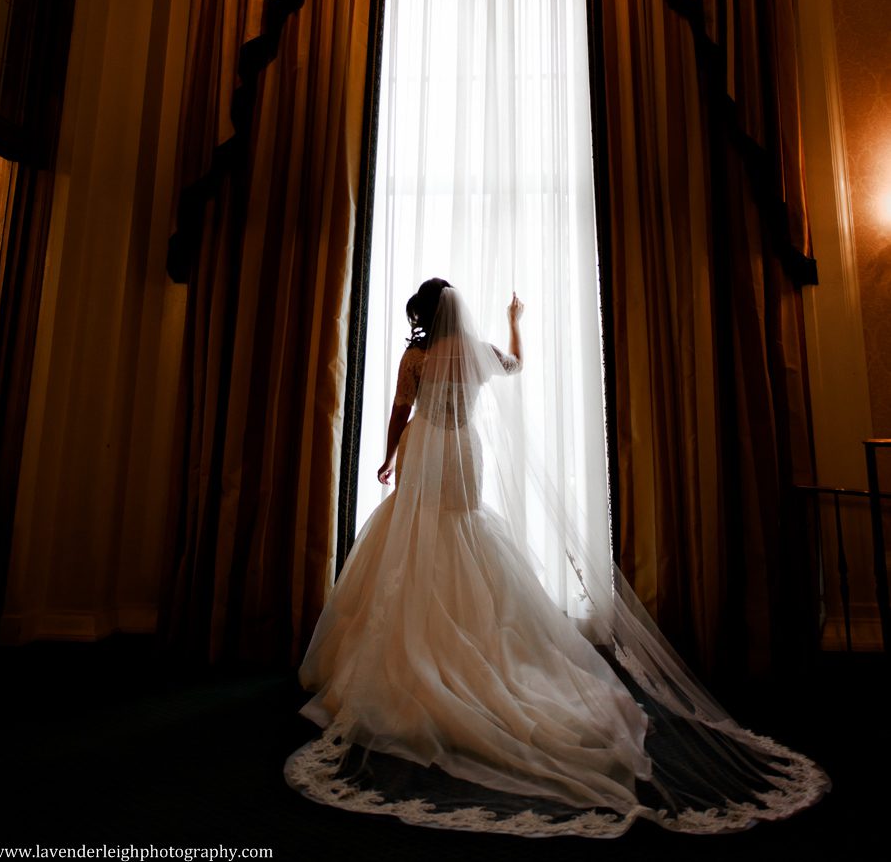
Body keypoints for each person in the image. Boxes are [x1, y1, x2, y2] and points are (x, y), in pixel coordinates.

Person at [286, 281, 828, 837]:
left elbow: (403, 411)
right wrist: (514, 318)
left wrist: (387, 456)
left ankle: (420, 643)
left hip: (428, 448)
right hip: (463, 449)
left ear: (423, 314)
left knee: (419, 534)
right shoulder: (478, 350)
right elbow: (516, 366)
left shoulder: (417, 355)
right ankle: (472, 639)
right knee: (463, 534)